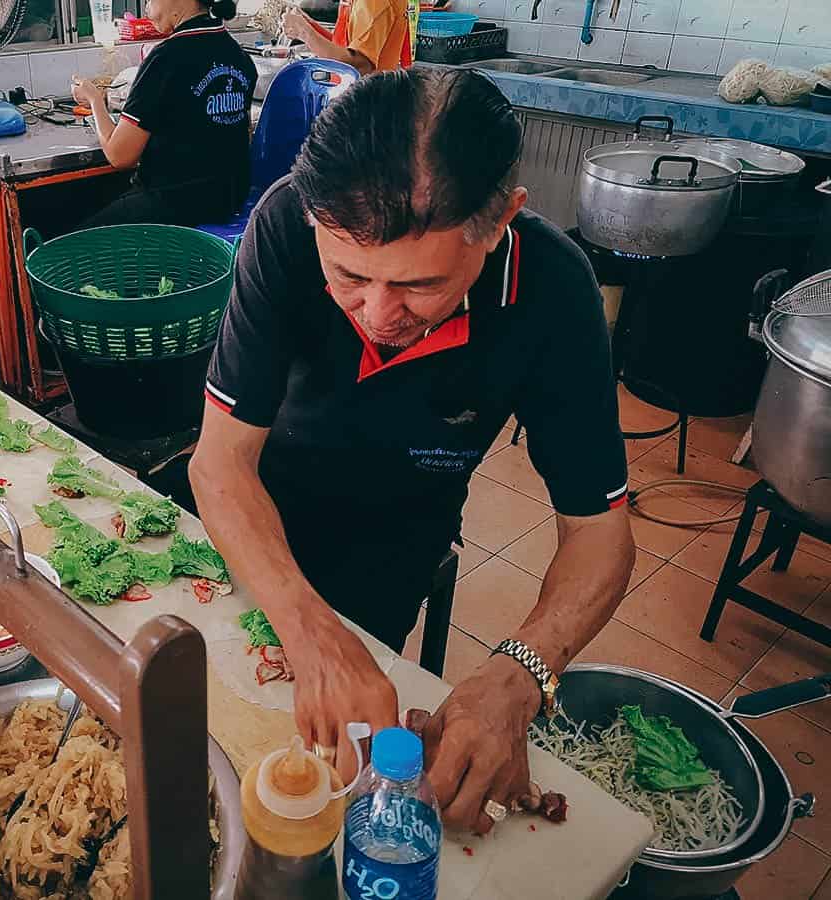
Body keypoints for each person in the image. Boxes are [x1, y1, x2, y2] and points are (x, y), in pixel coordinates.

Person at [189, 68, 635, 835]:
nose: (377, 312)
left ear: (499, 225)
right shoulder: (284, 225)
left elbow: (600, 535)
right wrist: (308, 629)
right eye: (349, 276)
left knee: (347, 780)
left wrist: (518, 674)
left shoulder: (554, 290)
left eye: (420, 287)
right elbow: (221, 463)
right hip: (257, 516)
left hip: (394, 541)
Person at [71, 0, 257, 227]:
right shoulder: (239, 56)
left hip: (172, 206)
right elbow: (242, 135)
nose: (147, 5)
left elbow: (119, 156)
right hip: (227, 200)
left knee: (68, 237)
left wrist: (94, 100)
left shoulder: (166, 58)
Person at [280, 0, 410, 74]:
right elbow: (345, 48)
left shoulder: (373, 2)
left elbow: (358, 65)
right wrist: (310, 25)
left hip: (367, 105)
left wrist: (304, 32)